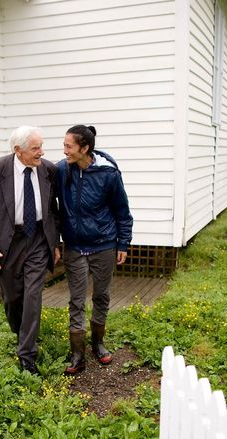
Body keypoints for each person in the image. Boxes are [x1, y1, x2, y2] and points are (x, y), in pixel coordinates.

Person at [0, 126, 60, 375]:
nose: (41, 152)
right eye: (35, 148)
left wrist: (54, 242)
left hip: (38, 239)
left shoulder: (49, 170)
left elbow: (54, 209)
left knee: (33, 295)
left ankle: (27, 355)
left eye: (41, 146)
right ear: (18, 150)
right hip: (7, 243)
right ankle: (21, 333)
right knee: (12, 298)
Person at [57, 125, 133, 375]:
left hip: (103, 244)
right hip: (75, 246)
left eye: (69, 146)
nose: (64, 150)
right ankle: (77, 353)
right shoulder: (61, 170)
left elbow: (122, 211)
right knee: (76, 300)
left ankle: (98, 343)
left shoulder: (108, 173)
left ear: (84, 148)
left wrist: (123, 243)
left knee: (101, 295)